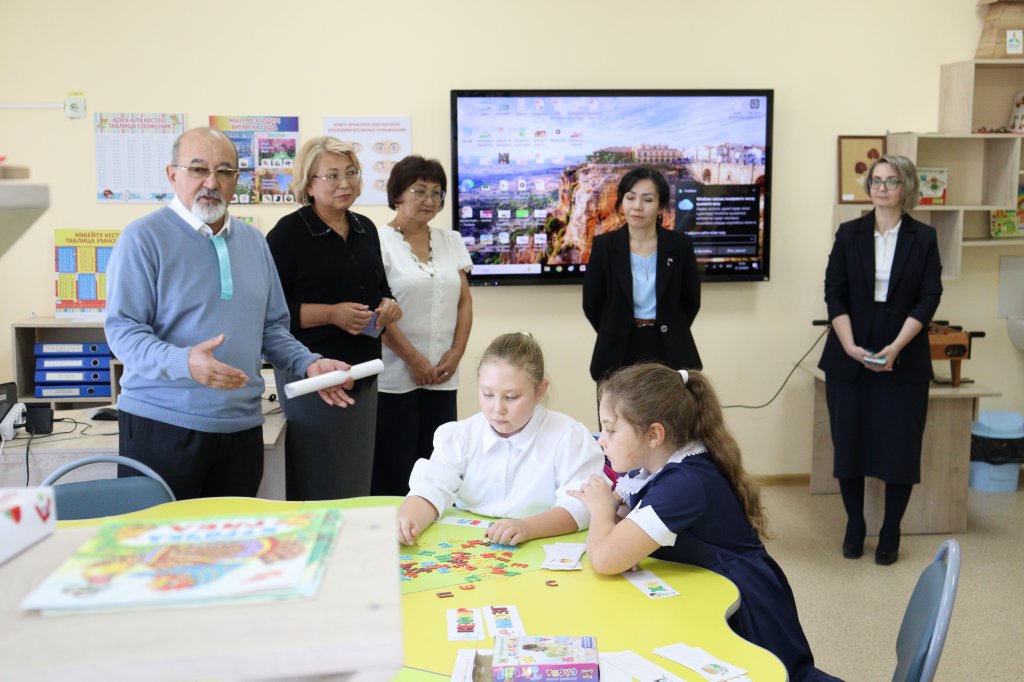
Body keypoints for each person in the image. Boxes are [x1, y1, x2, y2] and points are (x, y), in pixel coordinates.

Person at [105, 127, 355, 501]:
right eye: (198, 169)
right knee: (158, 539)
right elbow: (123, 331)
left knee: (235, 537)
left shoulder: (253, 241)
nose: (211, 182)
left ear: (236, 179)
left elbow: (271, 327)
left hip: (241, 429)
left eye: (224, 172)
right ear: (172, 174)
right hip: (162, 424)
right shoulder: (142, 238)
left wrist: (308, 363)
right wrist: (184, 362)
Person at [569, 364, 839, 682]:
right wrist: (619, 529)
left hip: (743, 605)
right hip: (705, 588)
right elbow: (624, 525)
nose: (601, 440)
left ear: (654, 435)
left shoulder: (684, 483)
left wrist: (600, 509)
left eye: (611, 430)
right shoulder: (656, 465)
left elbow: (604, 558)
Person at [818, 154, 942, 565]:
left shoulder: (923, 237)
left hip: (903, 354)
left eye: (891, 181)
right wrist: (849, 345)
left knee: (900, 449)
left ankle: (891, 529)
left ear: (907, 187)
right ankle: (855, 525)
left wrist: (897, 346)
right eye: (876, 180)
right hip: (849, 353)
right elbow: (833, 291)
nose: (881, 188)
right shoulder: (849, 233)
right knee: (849, 445)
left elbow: (929, 296)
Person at [266, 136, 402, 501]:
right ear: (309, 184)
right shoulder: (287, 234)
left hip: (364, 374)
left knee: (357, 483)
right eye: (332, 175)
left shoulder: (365, 228)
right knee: (320, 485)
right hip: (313, 378)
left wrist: (389, 306)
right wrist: (332, 314)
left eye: (351, 173)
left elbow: (381, 291)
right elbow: (272, 315)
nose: (345, 183)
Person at [396, 332, 605, 546]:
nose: (498, 409)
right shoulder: (462, 436)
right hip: (469, 547)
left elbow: (582, 506)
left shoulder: (568, 437)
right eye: (487, 394)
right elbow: (430, 489)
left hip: (542, 544)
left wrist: (528, 527)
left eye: (511, 397)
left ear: (540, 390)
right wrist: (409, 520)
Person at [371, 155, 473, 496]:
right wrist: (414, 360)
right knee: (394, 469)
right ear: (397, 194)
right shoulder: (377, 241)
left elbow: (464, 301)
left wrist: (456, 354)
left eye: (436, 192)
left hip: (443, 374)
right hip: (394, 375)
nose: (429, 199)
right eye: (419, 190)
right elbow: (378, 309)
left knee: (438, 467)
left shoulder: (451, 240)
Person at [582, 166, 701, 385]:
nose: (637, 206)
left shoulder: (680, 245)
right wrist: (615, 328)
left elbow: (691, 301)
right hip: (617, 351)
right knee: (617, 408)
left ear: (661, 206)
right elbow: (592, 303)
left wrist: (670, 325)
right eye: (630, 198)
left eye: (647, 199)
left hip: (669, 347)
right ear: (621, 202)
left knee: (670, 408)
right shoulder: (604, 246)